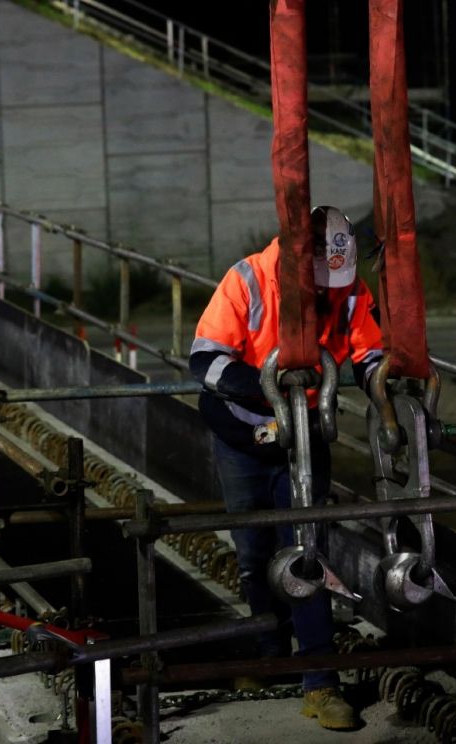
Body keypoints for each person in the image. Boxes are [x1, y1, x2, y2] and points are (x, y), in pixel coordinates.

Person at [190, 206, 383, 731]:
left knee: (307, 556)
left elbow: (369, 349)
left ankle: (320, 682)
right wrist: (273, 388)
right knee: (253, 556)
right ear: (301, 261)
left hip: (306, 437)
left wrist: (388, 383)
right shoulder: (247, 279)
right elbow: (205, 359)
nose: (327, 292)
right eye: (320, 281)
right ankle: (268, 650)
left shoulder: (346, 289)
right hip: (243, 436)